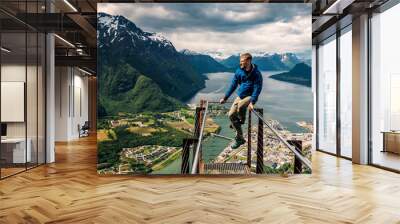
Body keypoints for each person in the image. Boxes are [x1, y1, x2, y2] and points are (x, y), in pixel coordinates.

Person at [219, 53, 263, 149]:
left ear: (249, 61)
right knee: (230, 114)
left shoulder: (256, 73)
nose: (241, 64)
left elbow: (257, 88)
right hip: (241, 95)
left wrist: (252, 102)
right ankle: (240, 138)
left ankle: (241, 121)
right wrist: (225, 98)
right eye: (240, 62)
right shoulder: (239, 71)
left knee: (241, 105)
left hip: (250, 96)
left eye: (243, 62)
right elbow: (233, 85)